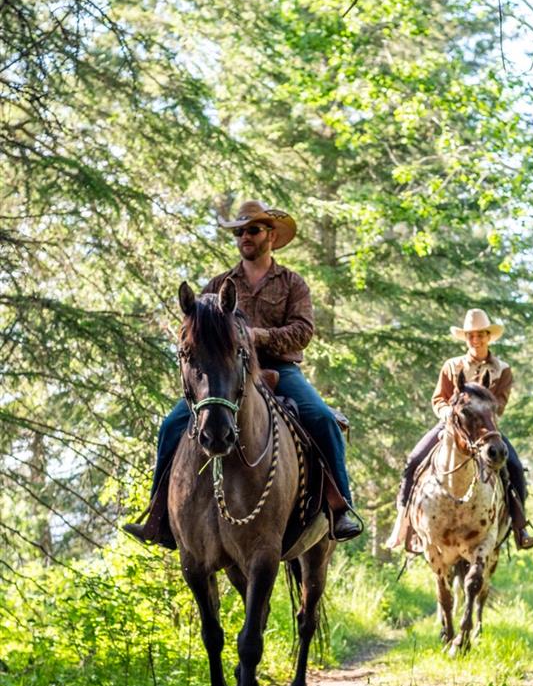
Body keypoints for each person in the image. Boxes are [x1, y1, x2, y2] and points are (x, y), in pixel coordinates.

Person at [124, 200, 362, 547]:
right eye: (239, 232)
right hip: (226, 374)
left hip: (279, 369)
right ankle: (158, 515)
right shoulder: (219, 283)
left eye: (252, 230)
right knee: (172, 425)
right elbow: (198, 330)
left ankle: (339, 507)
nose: (245, 237)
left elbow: (303, 331)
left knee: (322, 418)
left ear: (271, 235)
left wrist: (257, 336)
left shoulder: (292, 283)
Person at [386, 307, 533, 550]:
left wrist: (481, 409)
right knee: (414, 460)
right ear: (466, 338)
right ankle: (404, 524)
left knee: (515, 468)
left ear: (489, 336)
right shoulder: (452, 366)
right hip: (451, 426)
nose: (476, 340)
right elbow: (439, 398)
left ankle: (520, 528)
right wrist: (447, 412)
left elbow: (499, 404)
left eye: (480, 335)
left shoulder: (502, 369)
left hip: (485, 429)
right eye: (471, 335)